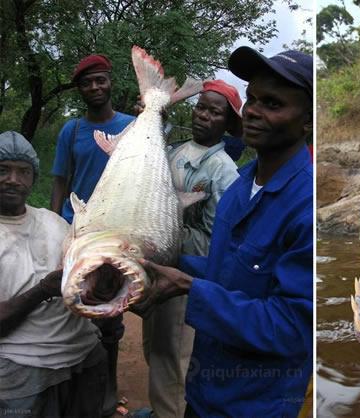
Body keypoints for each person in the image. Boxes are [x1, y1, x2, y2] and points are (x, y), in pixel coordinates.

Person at [137, 47, 314, 417]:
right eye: (252, 99)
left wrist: (189, 288)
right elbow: (224, 270)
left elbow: (292, 327)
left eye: (273, 103)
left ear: (308, 121)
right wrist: (158, 263)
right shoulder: (239, 190)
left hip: (256, 404)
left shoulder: (306, 206)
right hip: (204, 394)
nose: (253, 111)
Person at [136, 80, 244, 418]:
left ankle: (171, 412)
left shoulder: (223, 170)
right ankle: (158, 409)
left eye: (215, 112)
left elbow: (218, 241)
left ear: (227, 124)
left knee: (175, 352)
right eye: (201, 107)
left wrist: (170, 233)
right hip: (159, 262)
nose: (204, 116)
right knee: (154, 343)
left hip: (184, 273)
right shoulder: (177, 150)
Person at [50, 54, 135, 415]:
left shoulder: (133, 126)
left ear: (110, 82)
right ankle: (72, 386)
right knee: (71, 307)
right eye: (87, 83)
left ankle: (109, 389)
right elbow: (60, 181)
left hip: (114, 233)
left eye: (100, 80)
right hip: (78, 230)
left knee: (110, 313)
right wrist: (54, 225)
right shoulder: (71, 131)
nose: (95, 87)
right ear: (80, 90)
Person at [0, 131, 106, 417]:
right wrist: (43, 290)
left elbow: (90, 288)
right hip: (22, 370)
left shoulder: (54, 222)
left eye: (22, 171)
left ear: (33, 178)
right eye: (3, 170)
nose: (13, 179)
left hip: (84, 357)